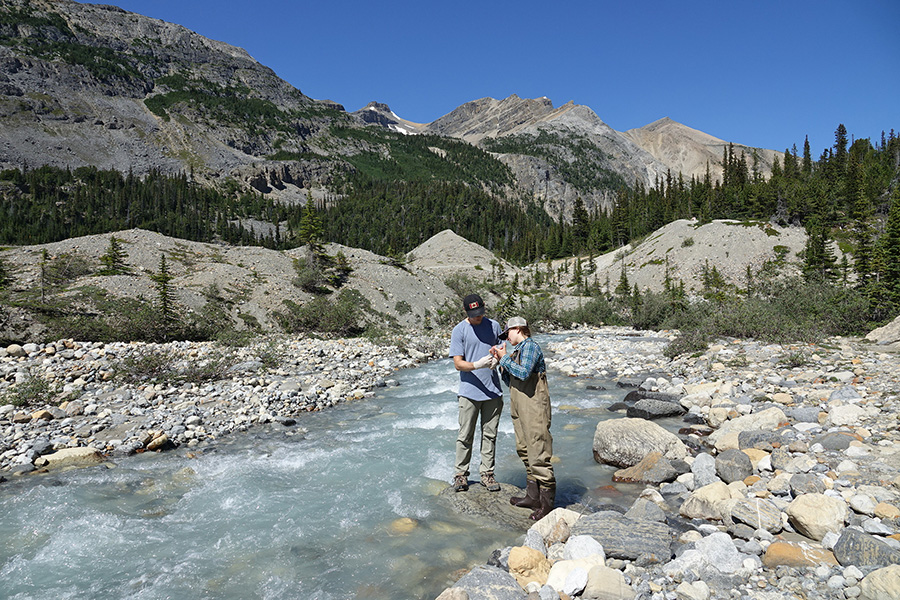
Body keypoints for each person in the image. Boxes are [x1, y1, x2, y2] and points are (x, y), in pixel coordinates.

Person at [492, 316, 555, 521]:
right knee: (524, 448)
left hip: (534, 406)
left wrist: (504, 358)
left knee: (538, 450)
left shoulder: (530, 348)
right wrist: (501, 364)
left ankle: (547, 506)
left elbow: (525, 372)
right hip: (520, 406)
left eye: (507, 333)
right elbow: (512, 379)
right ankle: (533, 496)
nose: (506, 338)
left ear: (518, 329)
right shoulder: (518, 351)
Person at [449, 293, 503, 493]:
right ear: (466, 311)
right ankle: (460, 475)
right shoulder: (459, 330)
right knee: (465, 435)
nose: (478, 317)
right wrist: (477, 365)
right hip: (469, 392)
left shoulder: (494, 326)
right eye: (474, 314)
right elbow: (457, 363)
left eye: (480, 312)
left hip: (493, 391)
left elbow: (501, 348)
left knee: (490, 435)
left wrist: (498, 358)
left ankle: (487, 474)